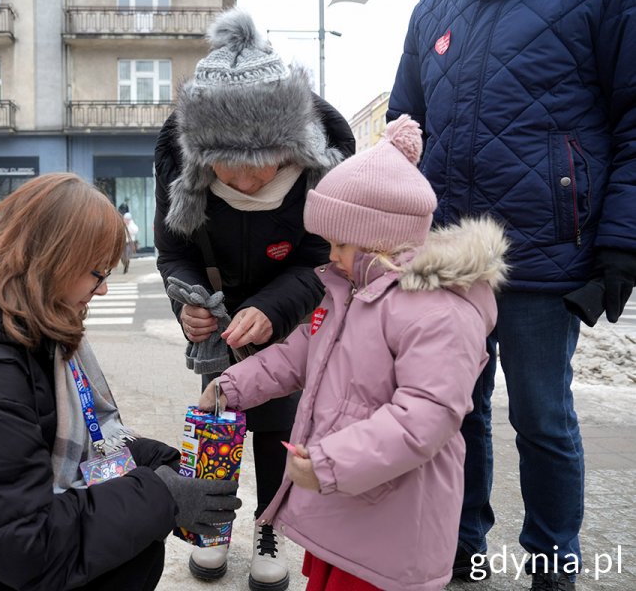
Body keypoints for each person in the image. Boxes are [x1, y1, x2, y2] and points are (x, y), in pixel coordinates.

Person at [0, 173, 242, 590]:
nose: (104, 290)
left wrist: (156, 461)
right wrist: (159, 496)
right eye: (97, 274)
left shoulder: (7, 318)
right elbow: (28, 547)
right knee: (124, 552)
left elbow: (49, 443)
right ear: (56, 262)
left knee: (128, 539)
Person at [388, 0, 636, 589]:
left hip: (544, 253)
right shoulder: (433, 9)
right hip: (448, 260)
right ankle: (461, 551)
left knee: (543, 418)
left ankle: (553, 568)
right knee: (451, 414)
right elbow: (406, 127)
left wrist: (621, 243)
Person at [198, 116, 508, 591]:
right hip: (349, 505)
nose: (331, 255)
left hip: (394, 520)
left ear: (381, 238)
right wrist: (233, 385)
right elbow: (301, 353)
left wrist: (329, 464)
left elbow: (423, 417)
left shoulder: (439, 312)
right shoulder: (353, 292)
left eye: (340, 243)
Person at [154, 7, 355, 590]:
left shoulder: (321, 172)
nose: (243, 181)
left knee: (276, 425)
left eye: (259, 166)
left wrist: (272, 311)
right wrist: (188, 305)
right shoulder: (181, 166)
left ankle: (270, 528)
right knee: (216, 417)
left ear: (288, 143)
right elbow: (175, 252)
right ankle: (211, 526)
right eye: (226, 167)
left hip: (287, 314)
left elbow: (320, 259)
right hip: (218, 322)